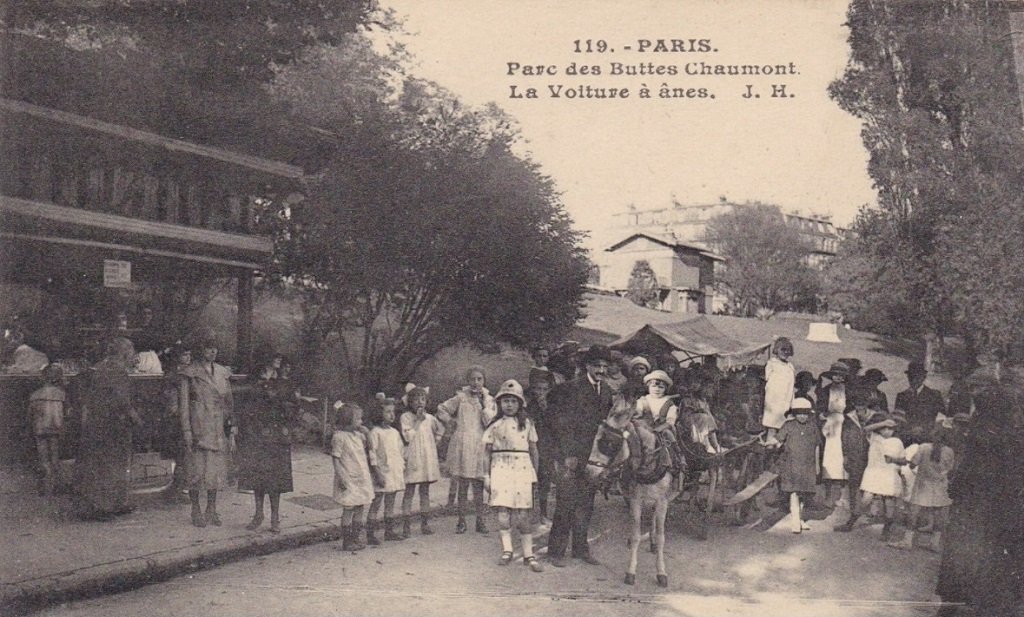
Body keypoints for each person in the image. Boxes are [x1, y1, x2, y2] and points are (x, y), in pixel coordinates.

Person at [547, 344, 614, 568]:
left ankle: (580, 549)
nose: (601, 370)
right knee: (566, 502)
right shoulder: (571, 388)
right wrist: (567, 454)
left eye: (605, 366)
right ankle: (556, 551)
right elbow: (559, 424)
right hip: (571, 456)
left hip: (593, 457)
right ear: (587, 366)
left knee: (586, 504)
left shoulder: (606, 392)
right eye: (597, 366)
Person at [73, 337, 141, 519]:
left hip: (99, 422)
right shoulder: (116, 371)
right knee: (109, 465)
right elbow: (121, 400)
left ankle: (113, 503)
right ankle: (101, 507)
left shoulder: (102, 367)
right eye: (131, 350)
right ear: (124, 352)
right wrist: (134, 417)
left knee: (105, 464)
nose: (133, 354)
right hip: (111, 424)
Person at [483, 379, 543, 572]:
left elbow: (534, 450)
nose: (509, 404)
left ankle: (528, 554)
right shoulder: (494, 425)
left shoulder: (527, 424)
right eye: (505, 401)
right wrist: (486, 475)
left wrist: (535, 472)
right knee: (503, 513)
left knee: (523, 514)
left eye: (513, 401)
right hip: (500, 468)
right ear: (499, 403)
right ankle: (507, 549)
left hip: (522, 470)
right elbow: (486, 452)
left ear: (520, 403)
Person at [180, 339, 235, 528]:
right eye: (208, 348)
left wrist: (231, 426)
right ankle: (196, 509)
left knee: (214, 472)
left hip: (217, 427)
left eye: (215, 349)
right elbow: (184, 405)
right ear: (201, 350)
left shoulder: (222, 372)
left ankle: (211, 510)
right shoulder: (190, 373)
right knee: (196, 472)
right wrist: (186, 429)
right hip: (198, 426)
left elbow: (229, 403)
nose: (212, 352)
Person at [238, 354, 295, 534]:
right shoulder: (254, 382)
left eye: (279, 358)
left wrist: (287, 422)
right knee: (258, 478)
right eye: (275, 357)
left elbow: (294, 406)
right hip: (258, 436)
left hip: (278, 436)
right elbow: (246, 407)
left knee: (275, 480)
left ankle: (275, 517)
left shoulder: (284, 382)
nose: (278, 360)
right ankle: (258, 514)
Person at [436, 366, 497, 535]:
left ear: (484, 381)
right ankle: (461, 520)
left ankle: (480, 520)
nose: (476, 382)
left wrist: (484, 403)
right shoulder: (461, 398)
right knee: (463, 483)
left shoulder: (489, 400)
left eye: (479, 379)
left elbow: (489, 421)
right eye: (473, 379)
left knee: (479, 484)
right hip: (463, 443)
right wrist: (451, 421)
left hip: (479, 443)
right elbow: (442, 408)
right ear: (468, 381)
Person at [888, 427, 954, 552]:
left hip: (923, 484)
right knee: (938, 515)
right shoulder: (950, 451)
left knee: (914, 513)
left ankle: (907, 541)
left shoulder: (923, 447)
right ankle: (934, 543)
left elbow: (913, 463)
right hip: (940, 485)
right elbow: (950, 469)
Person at [768, 397, 822, 534]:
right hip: (792, 464)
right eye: (799, 413)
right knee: (794, 492)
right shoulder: (789, 425)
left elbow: (817, 446)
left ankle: (800, 518)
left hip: (808, 465)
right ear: (794, 413)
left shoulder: (812, 426)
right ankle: (795, 520)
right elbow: (779, 439)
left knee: (804, 492)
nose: (802, 416)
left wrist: (817, 466)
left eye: (805, 413)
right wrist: (771, 443)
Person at [331, 403, 376, 551]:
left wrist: (367, 433)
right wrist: (341, 477)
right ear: (347, 419)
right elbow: (335, 459)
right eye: (358, 419)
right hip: (348, 478)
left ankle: (355, 538)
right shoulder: (339, 437)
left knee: (360, 506)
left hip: (361, 476)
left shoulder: (357, 435)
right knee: (349, 509)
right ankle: (347, 540)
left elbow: (371, 446)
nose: (361, 422)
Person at [400, 386, 444, 537]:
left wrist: (436, 442)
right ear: (409, 402)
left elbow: (440, 429)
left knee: (424, 491)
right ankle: (406, 525)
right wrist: (417, 421)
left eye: (423, 399)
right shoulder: (406, 417)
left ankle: (425, 523)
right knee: (409, 491)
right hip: (413, 457)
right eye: (416, 399)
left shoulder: (430, 418)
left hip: (426, 458)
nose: (420, 402)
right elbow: (407, 437)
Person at [857, 415, 906, 541]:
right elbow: (864, 429)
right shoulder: (875, 438)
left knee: (888, 502)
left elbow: (904, 460)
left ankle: (887, 529)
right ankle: (851, 521)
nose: (887, 432)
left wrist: (893, 460)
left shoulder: (897, 442)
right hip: (873, 472)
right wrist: (883, 422)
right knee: (866, 499)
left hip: (888, 474)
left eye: (890, 429)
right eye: (884, 429)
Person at [367, 398, 405, 544]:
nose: (391, 415)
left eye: (393, 412)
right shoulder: (375, 433)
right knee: (376, 502)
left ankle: (389, 531)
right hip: (382, 473)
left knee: (391, 501)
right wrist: (377, 473)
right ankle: (370, 534)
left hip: (394, 472)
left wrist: (402, 466)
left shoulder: (395, 432)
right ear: (379, 413)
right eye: (388, 412)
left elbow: (400, 451)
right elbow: (372, 454)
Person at [834, 393, 872, 531]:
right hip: (855, 455)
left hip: (872, 456)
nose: (859, 410)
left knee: (874, 486)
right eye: (857, 407)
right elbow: (844, 437)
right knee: (854, 484)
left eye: (862, 407)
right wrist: (845, 455)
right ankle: (853, 514)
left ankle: (869, 512)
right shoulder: (849, 418)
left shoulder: (875, 417)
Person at [159, 345, 192, 503]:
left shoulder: (184, 374)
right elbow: (172, 401)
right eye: (185, 355)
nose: (188, 358)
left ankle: (180, 487)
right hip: (178, 418)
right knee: (182, 455)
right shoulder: (175, 376)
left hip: (183, 416)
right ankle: (180, 488)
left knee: (183, 455)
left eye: (189, 355)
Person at [30, 363, 67, 496]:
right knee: (55, 457)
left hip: (39, 429)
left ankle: (45, 487)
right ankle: (56, 485)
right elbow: (65, 413)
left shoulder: (35, 395)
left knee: (43, 458)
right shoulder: (61, 394)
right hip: (55, 428)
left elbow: (31, 414)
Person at [526, 369, 557, 524]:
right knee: (528, 479)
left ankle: (543, 514)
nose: (541, 393)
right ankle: (526, 512)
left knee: (544, 479)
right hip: (529, 446)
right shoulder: (528, 406)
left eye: (545, 389)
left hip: (547, 446)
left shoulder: (553, 406)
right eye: (537, 389)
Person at [894, 361, 945, 438]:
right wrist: (910, 430)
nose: (913, 380)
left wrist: (924, 429)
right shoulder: (902, 396)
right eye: (910, 377)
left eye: (916, 376)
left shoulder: (934, 395)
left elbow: (941, 418)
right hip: (908, 437)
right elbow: (898, 419)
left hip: (928, 436)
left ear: (923, 377)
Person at [761, 337, 795, 437]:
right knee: (773, 427)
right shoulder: (772, 364)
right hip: (774, 401)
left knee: (784, 428)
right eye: (782, 350)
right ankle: (770, 448)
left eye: (788, 350)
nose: (785, 352)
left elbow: (791, 385)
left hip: (786, 400)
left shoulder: (790, 366)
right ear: (776, 350)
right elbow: (767, 381)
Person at [820, 389, 848, 509]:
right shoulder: (839, 417)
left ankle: (835, 498)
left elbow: (825, 431)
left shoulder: (836, 418)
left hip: (836, 445)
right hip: (835, 446)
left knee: (837, 470)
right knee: (834, 470)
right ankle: (833, 498)